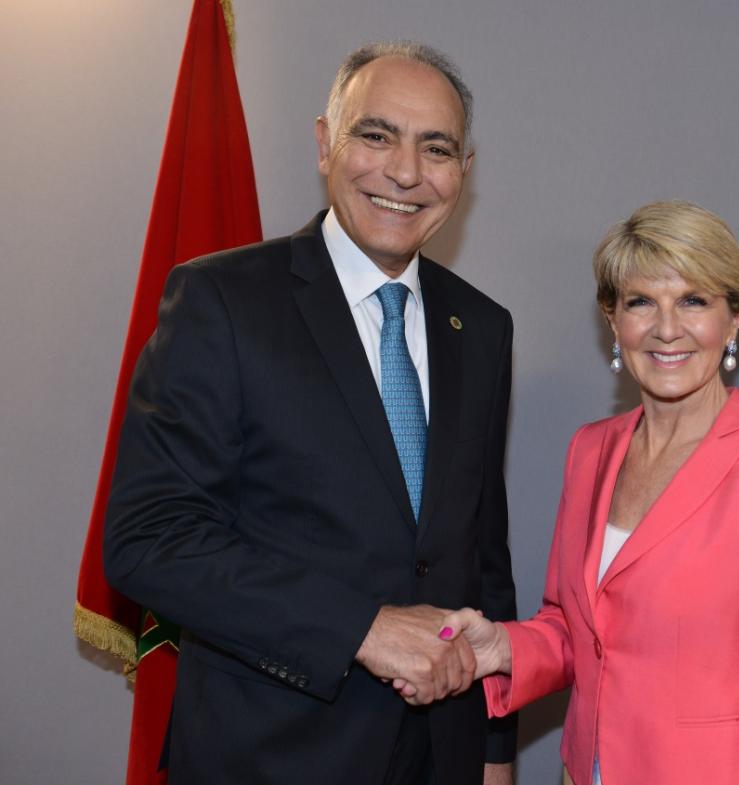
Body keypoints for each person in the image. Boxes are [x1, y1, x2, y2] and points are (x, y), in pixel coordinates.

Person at [103, 42, 516, 785]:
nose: (404, 172)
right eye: (376, 134)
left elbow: (483, 560)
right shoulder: (222, 302)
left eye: (436, 148)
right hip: (270, 754)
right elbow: (150, 540)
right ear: (325, 143)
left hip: (440, 760)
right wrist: (361, 627)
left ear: (465, 171)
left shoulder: (482, 329)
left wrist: (493, 749)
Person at [436, 201, 739, 785]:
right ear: (613, 321)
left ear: (734, 320)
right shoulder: (590, 450)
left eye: (694, 301)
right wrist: (499, 647)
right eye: (641, 302)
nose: (667, 328)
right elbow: (578, 631)